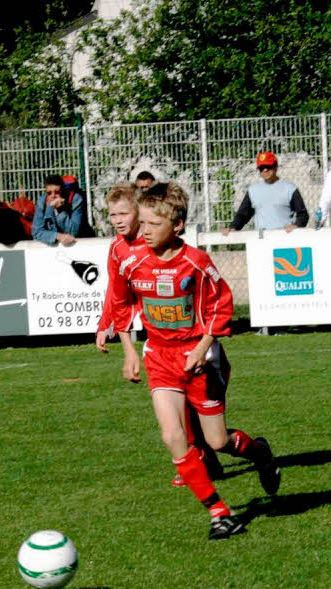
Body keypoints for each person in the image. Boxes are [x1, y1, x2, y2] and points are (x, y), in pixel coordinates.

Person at [105, 182, 281, 540]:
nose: (146, 231)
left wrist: (202, 348)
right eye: (145, 223)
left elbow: (221, 305)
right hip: (159, 357)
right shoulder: (133, 262)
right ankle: (220, 513)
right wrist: (128, 352)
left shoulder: (196, 263)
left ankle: (261, 453)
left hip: (201, 361)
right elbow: (120, 304)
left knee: (217, 442)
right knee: (173, 436)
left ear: (178, 226)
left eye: (155, 225)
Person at [94, 183, 225, 483]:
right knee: (173, 416)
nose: (117, 220)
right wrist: (108, 326)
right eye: (111, 214)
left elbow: (212, 299)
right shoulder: (118, 248)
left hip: (194, 341)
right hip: (161, 345)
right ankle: (194, 461)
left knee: (205, 422)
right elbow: (118, 295)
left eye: (124, 213)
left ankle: (207, 453)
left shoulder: (166, 244)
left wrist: (204, 342)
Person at [222, 151, 309, 235]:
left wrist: (296, 225)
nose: (265, 170)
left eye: (268, 166)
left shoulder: (290, 188)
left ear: (276, 167)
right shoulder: (253, 190)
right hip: (261, 239)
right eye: (261, 167)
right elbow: (243, 215)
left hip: (284, 240)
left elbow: (303, 215)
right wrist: (233, 227)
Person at [33, 174, 88, 246]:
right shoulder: (42, 202)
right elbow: (36, 232)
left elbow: (73, 232)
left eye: (57, 192)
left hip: (78, 245)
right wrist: (57, 236)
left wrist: (60, 210)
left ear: (63, 191)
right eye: (49, 193)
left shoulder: (75, 200)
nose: (53, 196)